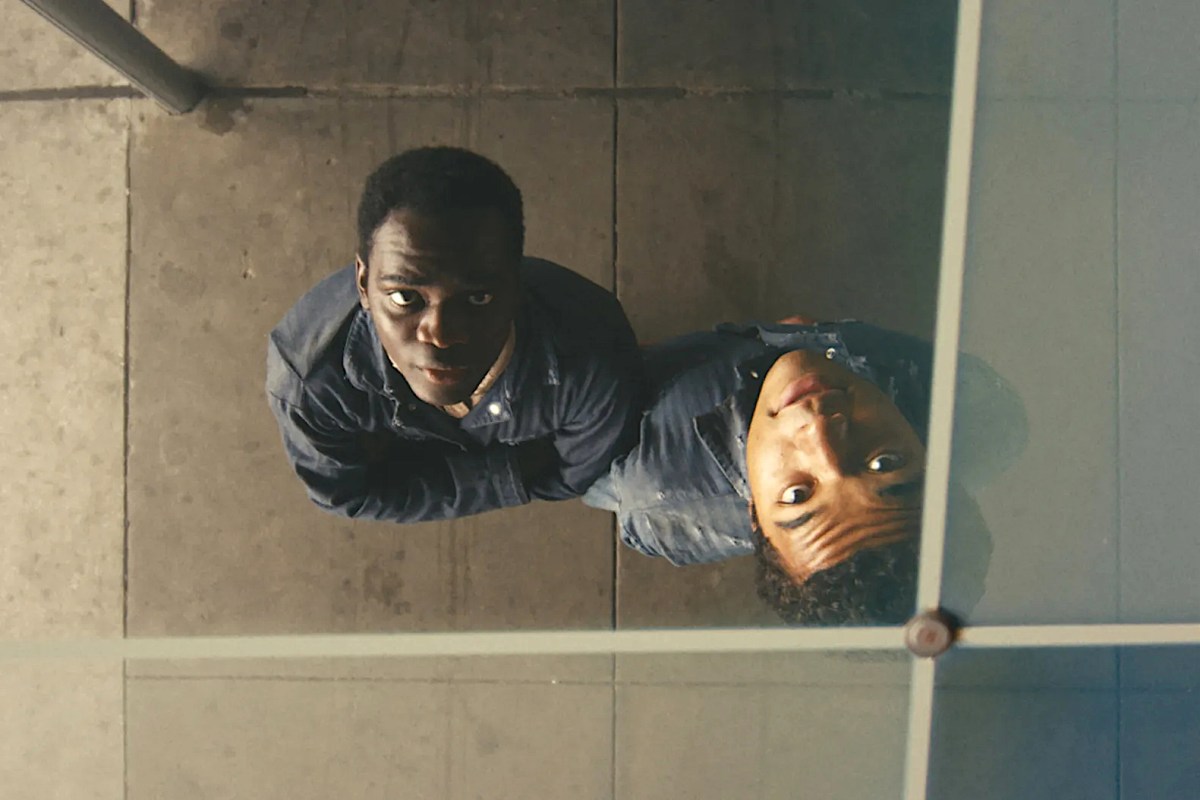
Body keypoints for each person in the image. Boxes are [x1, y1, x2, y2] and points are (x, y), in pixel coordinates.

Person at [267, 146, 641, 523]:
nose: (440, 334)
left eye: (478, 298)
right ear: (363, 284)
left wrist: (404, 472)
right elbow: (349, 497)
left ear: (518, 283)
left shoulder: (596, 357)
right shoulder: (309, 381)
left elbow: (571, 477)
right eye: (404, 297)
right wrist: (515, 470)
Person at [582, 318, 934, 625]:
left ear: (754, 515)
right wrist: (791, 339)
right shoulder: (946, 386)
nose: (817, 428)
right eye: (884, 463)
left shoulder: (656, 495)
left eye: (797, 495)